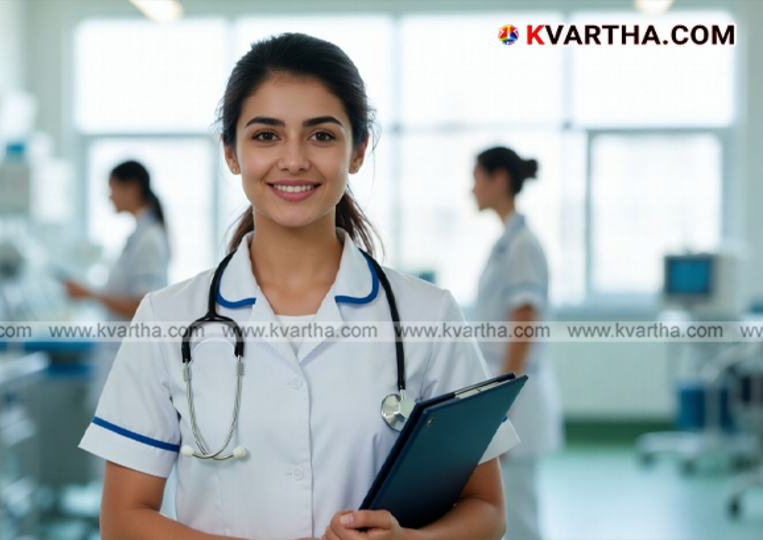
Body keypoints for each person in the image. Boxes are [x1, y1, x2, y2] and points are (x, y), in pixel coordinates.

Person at [79, 33, 519, 540]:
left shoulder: (428, 315)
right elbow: (123, 519)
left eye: (321, 136)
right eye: (266, 135)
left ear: (357, 151)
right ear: (231, 152)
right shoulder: (166, 319)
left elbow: (487, 507)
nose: (293, 160)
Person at [471, 147, 564, 540]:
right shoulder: (509, 243)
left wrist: (502, 403)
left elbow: (523, 323)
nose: (471, 189)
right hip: (508, 390)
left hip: (516, 397)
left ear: (499, 181)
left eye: (476, 178)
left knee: (520, 515)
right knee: (511, 507)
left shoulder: (523, 246)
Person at [64, 160, 170, 409]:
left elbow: (143, 305)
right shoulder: (139, 237)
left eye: (112, 188)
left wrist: (89, 294)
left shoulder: (149, 241)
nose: (109, 196)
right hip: (120, 358)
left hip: (132, 365)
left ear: (131, 188)